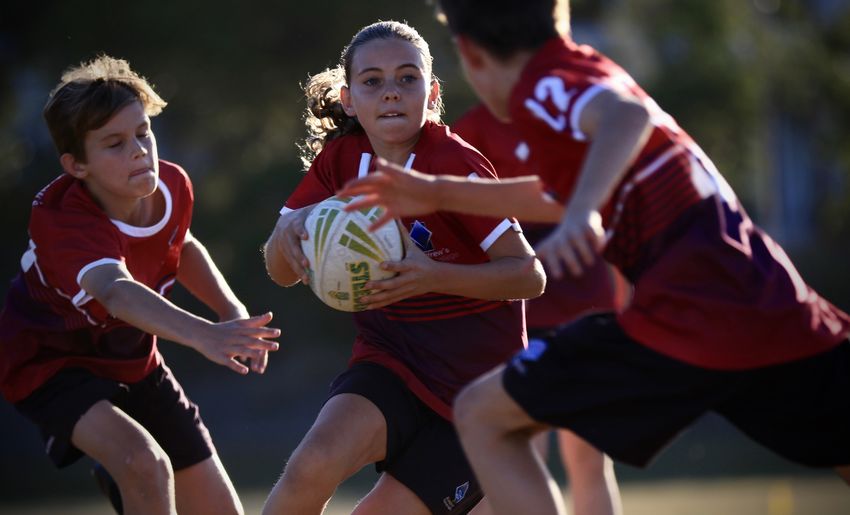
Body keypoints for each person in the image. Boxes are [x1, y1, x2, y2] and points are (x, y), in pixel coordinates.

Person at [338, 1, 850, 514]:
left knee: (484, 415)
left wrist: (584, 211)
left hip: (688, 307)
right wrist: (438, 192)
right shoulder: (583, 70)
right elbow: (556, 194)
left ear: (470, 54)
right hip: (764, 296)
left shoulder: (543, 85)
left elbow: (627, 118)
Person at [262, 20, 545, 515]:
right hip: (390, 361)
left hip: (476, 398)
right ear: (350, 100)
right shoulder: (342, 160)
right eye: (372, 81)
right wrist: (294, 228)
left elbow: (528, 275)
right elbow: (280, 272)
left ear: (431, 94)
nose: (390, 92)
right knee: (310, 466)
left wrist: (433, 274)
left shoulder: (454, 164)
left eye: (407, 78)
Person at [0, 55, 281, 515]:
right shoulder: (62, 219)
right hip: (52, 361)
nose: (138, 151)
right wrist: (205, 335)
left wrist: (229, 310)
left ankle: (121, 480)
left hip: (132, 355)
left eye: (143, 133)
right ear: (77, 165)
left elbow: (179, 245)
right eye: (114, 143)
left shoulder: (172, 185)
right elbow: (115, 290)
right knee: (145, 464)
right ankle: (121, 473)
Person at [452, 102, 626, 515]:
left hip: (587, 309)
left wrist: (627, 307)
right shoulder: (472, 132)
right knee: (522, 453)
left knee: (590, 456)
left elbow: (614, 216)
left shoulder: (576, 118)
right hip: (516, 317)